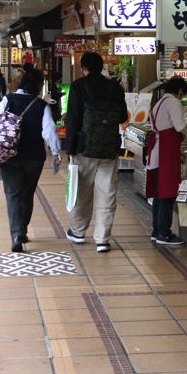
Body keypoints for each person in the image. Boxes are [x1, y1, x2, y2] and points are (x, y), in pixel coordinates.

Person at [0, 68, 61, 253]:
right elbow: (49, 131)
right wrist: (56, 153)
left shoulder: (8, 100)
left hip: (9, 155)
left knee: (13, 194)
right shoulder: (41, 105)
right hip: (34, 156)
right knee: (27, 193)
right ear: (38, 86)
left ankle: (17, 234)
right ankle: (21, 230)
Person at [64, 52, 128, 253]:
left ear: (84, 68)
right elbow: (121, 116)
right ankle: (103, 239)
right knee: (107, 193)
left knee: (81, 192)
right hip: (109, 148)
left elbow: (73, 118)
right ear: (101, 67)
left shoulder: (78, 86)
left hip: (84, 149)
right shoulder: (115, 87)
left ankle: (78, 231)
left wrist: (70, 148)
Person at [145, 77, 187, 245]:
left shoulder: (159, 102)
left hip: (157, 150)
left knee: (158, 194)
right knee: (167, 194)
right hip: (165, 152)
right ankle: (164, 233)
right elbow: (179, 126)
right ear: (180, 92)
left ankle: (156, 230)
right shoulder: (174, 102)